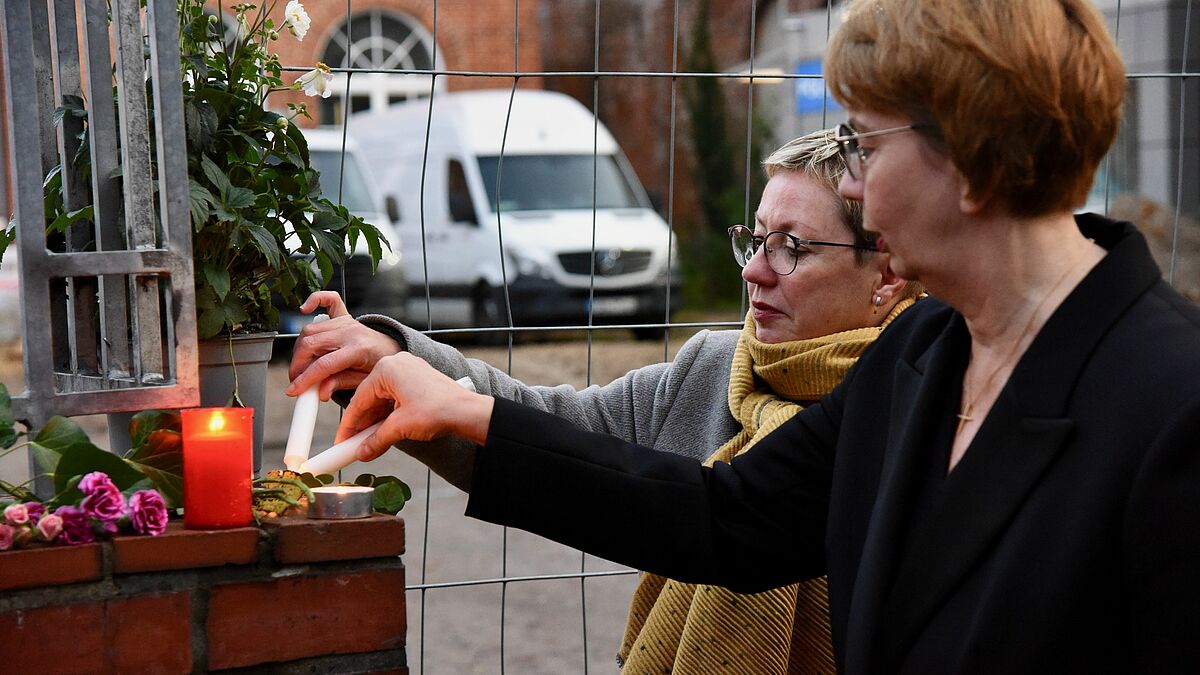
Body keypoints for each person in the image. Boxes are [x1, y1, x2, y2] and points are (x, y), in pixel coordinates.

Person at [326, 0, 1200, 671]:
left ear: (969, 161)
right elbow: (725, 515)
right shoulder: (926, 354)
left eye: (864, 144)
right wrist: (465, 413)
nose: (852, 190)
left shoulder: (1170, 403)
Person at [288, 128, 921, 674]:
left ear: (888, 275)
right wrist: (395, 357)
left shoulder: (920, 401)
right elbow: (558, 428)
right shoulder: (713, 368)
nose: (755, 270)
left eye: (794, 247)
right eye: (754, 239)